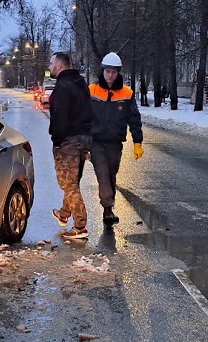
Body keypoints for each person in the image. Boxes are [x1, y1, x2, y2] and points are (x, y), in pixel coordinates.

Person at [88, 52, 143, 226]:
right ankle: (108, 208)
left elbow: (134, 118)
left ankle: (107, 209)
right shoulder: (91, 90)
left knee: (111, 175)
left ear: (118, 72)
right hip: (96, 143)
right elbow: (82, 115)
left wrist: (137, 142)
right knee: (103, 174)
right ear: (102, 71)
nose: (110, 75)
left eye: (114, 72)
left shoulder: (126, 94)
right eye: (107, 71)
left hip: (115, 143)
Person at [48, 52, 93, 240]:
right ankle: (64, 213)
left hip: (68, 140)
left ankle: (80, 226)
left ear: (59, 65)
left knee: (67, 182)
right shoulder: (80, 83)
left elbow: (60, 116)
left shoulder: (63, 86)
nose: (49, 67)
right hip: (84, 138)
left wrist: (57, 140)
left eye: (51, 64)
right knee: (73, 179)